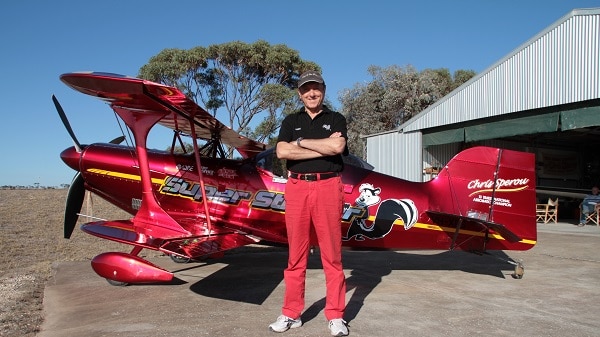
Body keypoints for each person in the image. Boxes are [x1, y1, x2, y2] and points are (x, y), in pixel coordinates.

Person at [268, 71, 349, 336]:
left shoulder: (336, 118)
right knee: (296, 255)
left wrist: (300, 142)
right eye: (306, 90)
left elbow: (337, 147)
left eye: (316, 89)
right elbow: (282, 151)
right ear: (299, 94)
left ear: (324, 90)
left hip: (328, 185)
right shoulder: (291, 120)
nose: (311, 93)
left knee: (332, 255)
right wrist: (320, 146)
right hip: (297, 187)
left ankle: (336, 315)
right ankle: (291, 314)